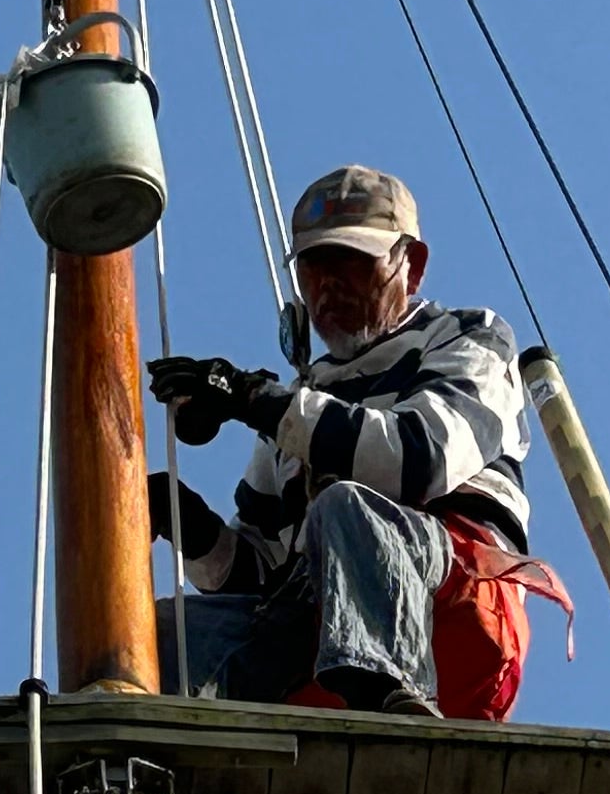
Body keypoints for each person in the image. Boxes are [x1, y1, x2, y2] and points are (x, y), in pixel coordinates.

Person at [148, 164, 559, 719]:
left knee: (346, 506)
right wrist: (185, 521)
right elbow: (256, 577)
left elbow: (417, 458)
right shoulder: (302, 402)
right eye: (315, 266)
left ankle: (393, 708)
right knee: (161, 634)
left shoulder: (467, 338)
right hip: (319, 640)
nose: (328, 285)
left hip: (456, 610)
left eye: (353, 262)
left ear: (410, 267)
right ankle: (139, 769)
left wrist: (255, 400)